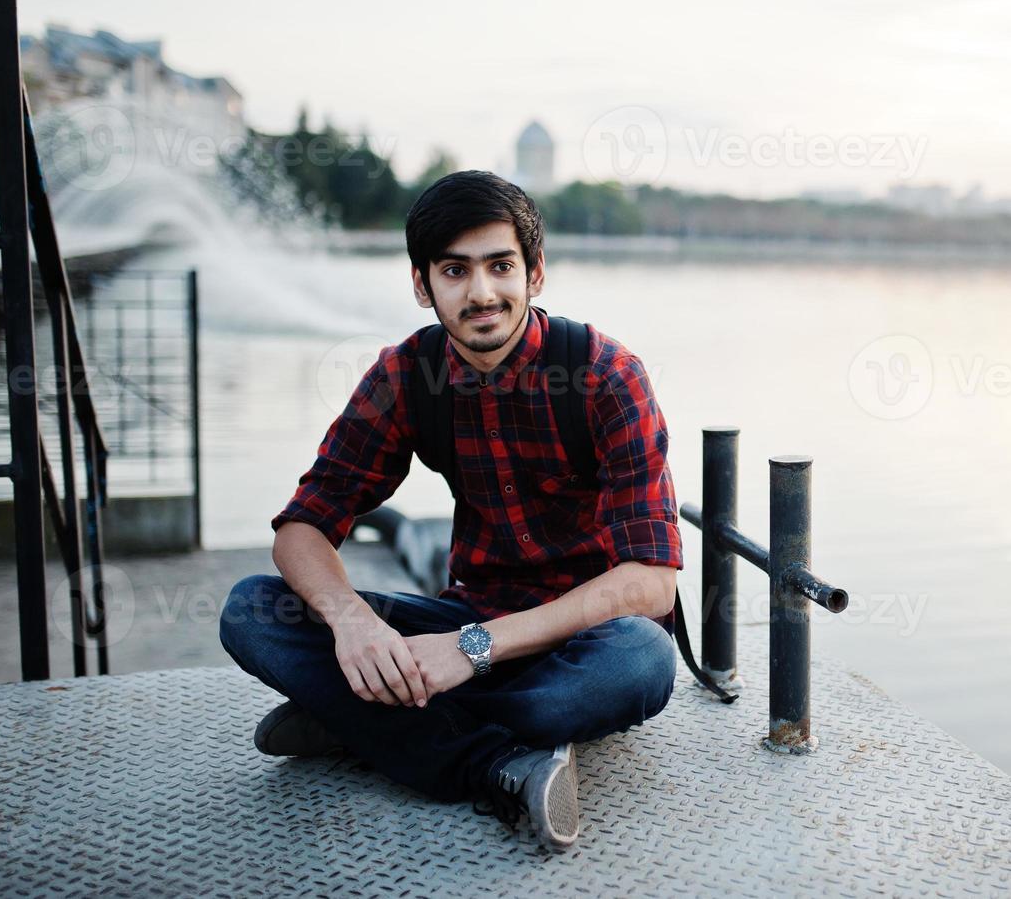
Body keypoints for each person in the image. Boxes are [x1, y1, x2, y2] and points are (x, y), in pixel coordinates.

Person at [218, 170, 682, 850]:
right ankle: (497, 762)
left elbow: (651, 583)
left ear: (535, 273)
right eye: (455, 271)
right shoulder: (404, 375)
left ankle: (361, 722)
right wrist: (353, 626)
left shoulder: (605, 375)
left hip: (582, 636)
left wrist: (470, 651)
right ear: (421, 283)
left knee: (641, 661)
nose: (482, 293)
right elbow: (303, 526)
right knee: (253, 611)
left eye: (500, 267)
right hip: (469, 612)